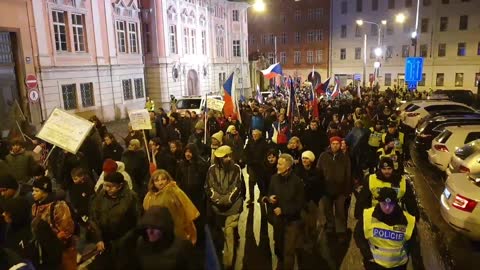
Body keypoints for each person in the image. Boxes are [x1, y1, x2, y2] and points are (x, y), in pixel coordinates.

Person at [354, 187, 423, 270]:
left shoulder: (408, 220)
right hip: (374, 265)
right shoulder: (367, 216)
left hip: (398, 266)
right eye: (384, 204)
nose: (387, 208)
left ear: (396, 203)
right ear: (379, 202)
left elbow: (414, 247)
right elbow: (358, 235)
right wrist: (367, 254)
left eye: (391, 204)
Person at [116, 206, 195, 270]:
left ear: (165, 229)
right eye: (148, 227)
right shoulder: (141, 243)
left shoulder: (182, 246)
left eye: (155, 228)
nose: (150, 232)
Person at [89, 172, 140, 270]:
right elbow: (94, 217)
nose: (107, 189)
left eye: (111, 186)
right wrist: (98, 238)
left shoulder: (131, 197)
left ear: (120, 186)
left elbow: (138, 220)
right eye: (105, 185)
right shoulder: (101, 196)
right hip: (105, 241)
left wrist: (126, 240)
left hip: (124, 242)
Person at [205, 145, 243, 270]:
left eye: (227, 156)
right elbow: (208, 186)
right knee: (220, 235)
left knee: (229, 233)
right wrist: (217, 199)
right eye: (223, 157)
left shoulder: (236, 169)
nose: (226, 159)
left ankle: (228, 263)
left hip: (232, 208)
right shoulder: (211, 170)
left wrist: (226, 200)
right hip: (217, 208)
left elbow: (237, 187)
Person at [267, 153, 304, 270]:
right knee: (278, 247)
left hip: (292, 222)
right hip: (278, 221)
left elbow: (300, 204)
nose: (277, 166)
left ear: (288, 167)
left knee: (289, 251)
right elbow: (270, 194)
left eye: (280, 164)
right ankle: (281, 262)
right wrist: (270, 199)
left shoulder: (297, 182)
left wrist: (284, 210)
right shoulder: (274, 178)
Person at [143, 169, 200, 245]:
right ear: (153, 183)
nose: (160, 183)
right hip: (159, 229)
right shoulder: (150, 195)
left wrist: (187, 224)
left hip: (176, 227)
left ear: (168, 179)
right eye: (157, 181)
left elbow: (186, 205)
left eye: (163, 179)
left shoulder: (174, 191)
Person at [31, 176, 76, 270]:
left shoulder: (58, 206)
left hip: (62, 249)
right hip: (44, 251)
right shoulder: (35, 206)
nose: (33, 193)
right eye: (33, 190)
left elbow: (67, 230)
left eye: (36, 191)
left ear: (45, 191)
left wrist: (53, 240)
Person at [316, 136, 352, 241]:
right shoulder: (323, 156)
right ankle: (330, 227)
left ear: (340, 145)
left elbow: (348, 174)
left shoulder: (345, 157)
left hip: (340, 190)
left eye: (337, 143)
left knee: (340, 211)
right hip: (326, 189)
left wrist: (348, 190)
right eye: (333, 143)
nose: (335, 145)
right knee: (327, 210)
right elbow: (319, 171)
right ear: (330, 144)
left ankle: (340, 230)